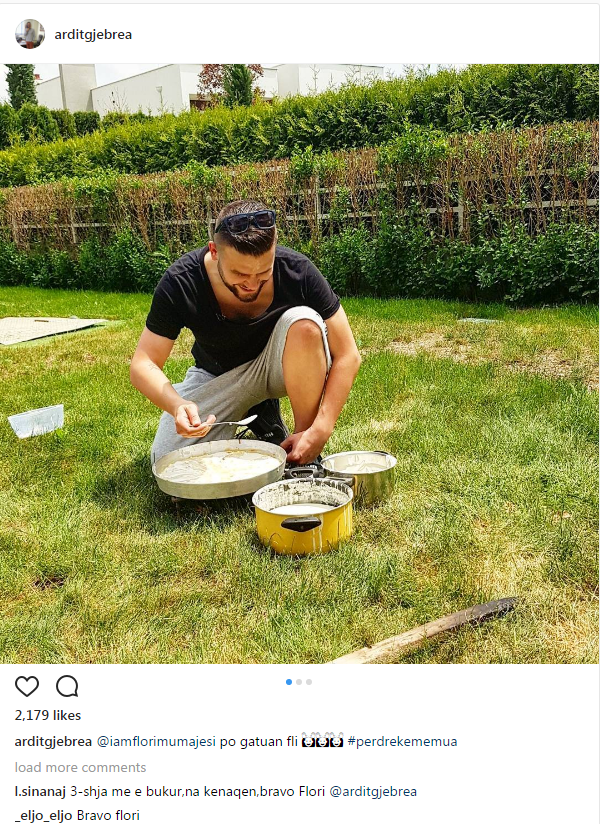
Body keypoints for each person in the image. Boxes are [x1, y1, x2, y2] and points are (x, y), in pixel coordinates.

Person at [130, 199, 361, 466]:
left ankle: (302, 447)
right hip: (219, 375)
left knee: (306, 324)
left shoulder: (298, 270)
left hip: (280, 367)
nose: (252, 284)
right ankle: (261, 413)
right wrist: (177, 405)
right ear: (214, 251)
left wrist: (321, 427)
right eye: (239, 273)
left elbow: (348, 354)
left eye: (264, 272)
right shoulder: (181, 281)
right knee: (167, 459)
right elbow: (143, 363)